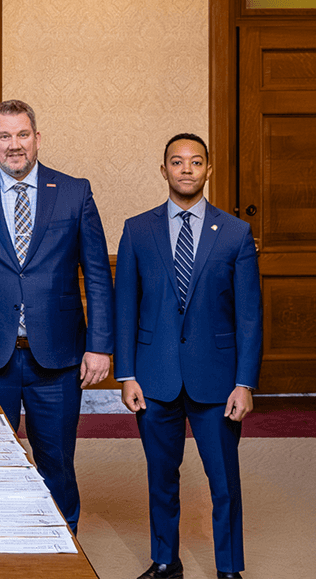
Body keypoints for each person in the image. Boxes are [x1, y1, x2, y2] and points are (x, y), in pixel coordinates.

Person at [0, 99, 114, 533]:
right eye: (5, 137)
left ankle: (62, 545)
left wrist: (100, 345)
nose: (15, 145)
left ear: (37, 138)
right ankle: (0, 545)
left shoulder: (74, 192)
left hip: (57, 356)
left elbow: (97, 275)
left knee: (57, 462)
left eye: (23, 135)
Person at [115, 134, 261, 579]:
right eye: (176, 162)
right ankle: (165, 561)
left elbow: (250, 315)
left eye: (195, 162)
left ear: (208, 170)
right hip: (153, 376)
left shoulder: (235, 232)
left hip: (217, 380)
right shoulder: (137, 230)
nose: (186, 169)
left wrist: (245, 382)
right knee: (161, 478)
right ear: (164, 171)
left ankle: (229, 568)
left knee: (224, 483)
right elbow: (125, 309)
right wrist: (126, 375)